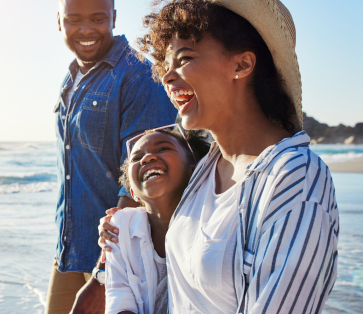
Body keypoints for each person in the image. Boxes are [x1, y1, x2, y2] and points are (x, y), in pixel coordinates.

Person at [98, 0, 339, 313]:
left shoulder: (295, 178)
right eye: (165, 65)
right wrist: (125, 228)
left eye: (184, 58)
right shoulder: (206, 168)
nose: (167, 77)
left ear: (241, 65)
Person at [48, 0, 177, 312]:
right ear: (59, 22)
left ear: (114, 18)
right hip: (69, 250)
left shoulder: (138, 75)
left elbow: (145, 180)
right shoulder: (72, 78)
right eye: (74, 19)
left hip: (116, 259)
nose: (86, 29)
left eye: (97, 18)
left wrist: (105, 270)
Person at [105, 126, 210, 314]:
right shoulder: (120, 227)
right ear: (132, 193)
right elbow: (119, 295)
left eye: (163, 149)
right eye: (136, 158)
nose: (147, 158)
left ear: (193, 171)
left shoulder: (211, 225)